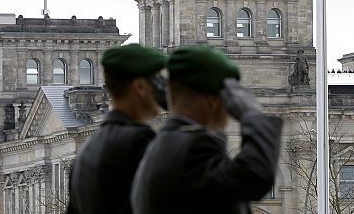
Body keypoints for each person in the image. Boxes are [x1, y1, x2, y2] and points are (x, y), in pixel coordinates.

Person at [131, 45, 282, 214]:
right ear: (213, 100)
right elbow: (254, 178)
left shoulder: (161, 146)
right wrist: (253, 114)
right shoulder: (194, 148)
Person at [66, 44, 168, 214]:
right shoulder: (140, 142)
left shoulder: (85, 154)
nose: (161, 89)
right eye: (156, 81)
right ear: (140, 86)